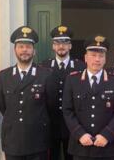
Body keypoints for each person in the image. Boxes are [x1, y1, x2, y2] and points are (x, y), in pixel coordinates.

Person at [63, 35, 114, 160]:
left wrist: (106, 135)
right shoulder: (72, 80)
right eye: (93, 55)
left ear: (105, 59)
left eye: (101, 56)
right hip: (81, 146)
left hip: (108, 147)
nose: (97, 59)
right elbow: (67, 110)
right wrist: (80, 134)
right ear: (85, 58)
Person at [0, 26, 54, 160]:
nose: (24, 50)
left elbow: (51, 108)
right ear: (15, 50)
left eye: (28, 47)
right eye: (21, 46)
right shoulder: (4, 76)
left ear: (34, 51)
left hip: (38, 140)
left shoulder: (46, 75)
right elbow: (2, 107)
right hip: (13, 140)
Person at [41, 25, 86, 160]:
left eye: (65, 43)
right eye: (58, 43)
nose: (61, 46)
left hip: (73, 124)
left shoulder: (81, 66)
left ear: (70, 46)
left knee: (71, 157)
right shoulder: (44, 66)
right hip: (50, 123)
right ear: (53, 46)